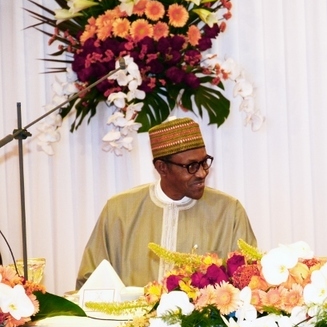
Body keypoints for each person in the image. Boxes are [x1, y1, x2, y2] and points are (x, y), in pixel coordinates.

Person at [77, 117, 257, 288]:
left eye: (204, 163)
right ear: (162, 167)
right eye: (191, 166)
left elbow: (249, 280)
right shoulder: (119, 211)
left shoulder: (228, 211)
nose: (202, 173)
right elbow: (91, 282)